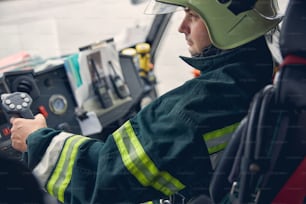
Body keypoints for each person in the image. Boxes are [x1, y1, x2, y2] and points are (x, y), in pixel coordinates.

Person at [9, 0, 282, 203]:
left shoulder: (196, 109)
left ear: (227, 25)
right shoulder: (269, 73)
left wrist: (37, 141)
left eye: (193, 16)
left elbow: (103, 183)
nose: (181, 27)